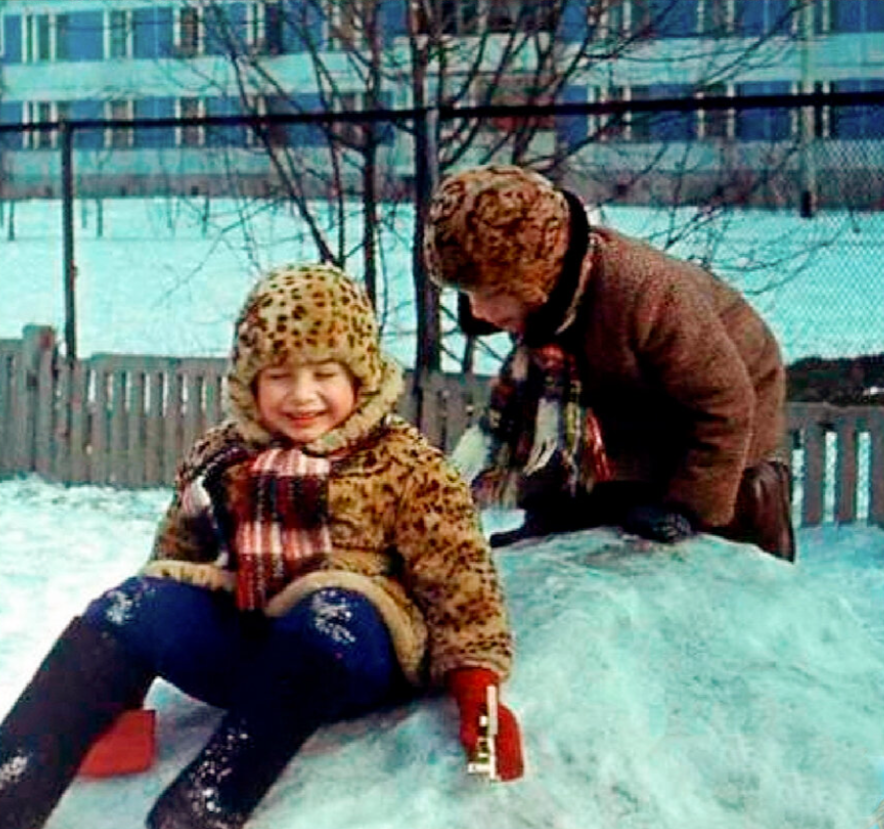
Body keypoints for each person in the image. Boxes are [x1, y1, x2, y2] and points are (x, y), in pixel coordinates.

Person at [0, 263, 523, 829]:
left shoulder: (402, 462)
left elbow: (461, 583)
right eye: (278, 376)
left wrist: (477, 691)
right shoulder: (224, 456)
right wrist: (116, 688)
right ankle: (13, 783)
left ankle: (205, 804)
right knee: (133, 601)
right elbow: (173, 563)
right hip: (248, 649)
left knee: (331, 608)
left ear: (361, 375)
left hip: (348, 656)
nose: (303, 396)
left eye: (325, 373)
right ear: (250, 383)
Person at [424, 164, 795, 562]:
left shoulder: (647, 292)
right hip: (632, 398)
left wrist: (688, 506)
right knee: (594, 505)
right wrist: (545, 511)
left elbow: (725, 403)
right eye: (466, 294)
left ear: (537, 276)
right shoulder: (551, 307)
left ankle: (716, 517)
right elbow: (550, 413)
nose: (477, 311)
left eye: (490, 292)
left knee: (712, 527)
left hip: (731, 407)